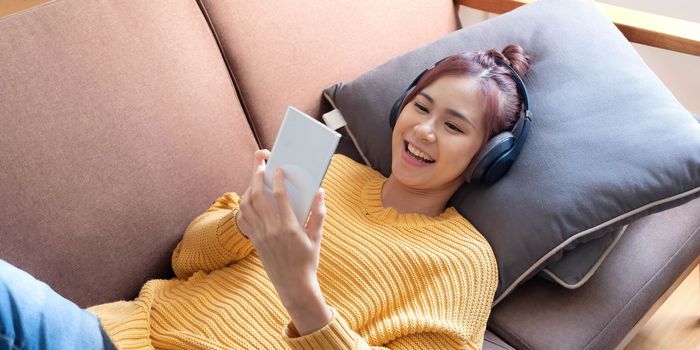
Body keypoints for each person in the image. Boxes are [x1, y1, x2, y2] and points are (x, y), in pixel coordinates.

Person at [0, 44, 531, 350]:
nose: (424, 132)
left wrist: (299, 287)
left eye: (454, 126)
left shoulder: (462, 263)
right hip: (122, 334)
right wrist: (243, 227)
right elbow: (186, 261)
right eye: (421, 107)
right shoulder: (332, 170)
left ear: (489, 157)